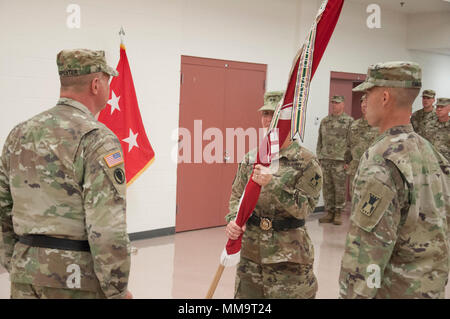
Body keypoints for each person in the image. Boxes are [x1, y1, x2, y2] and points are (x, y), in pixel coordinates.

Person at [0, 49, 132, 299]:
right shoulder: (97, 139)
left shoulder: (19, 133)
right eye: (107, 80)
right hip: (75, 280)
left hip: (25, 273)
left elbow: (3, 209)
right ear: (96, 84)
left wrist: (17, 263)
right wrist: (117, 289)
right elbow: (106, 226)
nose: (108, 87)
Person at [339, 61, 450, 299]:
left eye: (368, 92)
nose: (364, 101)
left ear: (385, 97)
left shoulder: (381, 160)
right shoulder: (431, 152)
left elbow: (367, 251)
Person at [225, 91, 323, 299]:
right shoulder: (252, 158)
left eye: (274, 115)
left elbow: (306, 207)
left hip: (288, 258)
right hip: (251, 255)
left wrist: (275, 184)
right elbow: (236, 197)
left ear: (288, 120)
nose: (268, 120)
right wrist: (234, 220)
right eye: (265, 114)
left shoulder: (306, 161)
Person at [317, 96, 353, 225]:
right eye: (333, 103)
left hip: (340, 160)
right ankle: (329, 212)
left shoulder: (349, 121)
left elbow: (351, 142)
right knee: (327, 187)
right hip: (326, 159)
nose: (334, 105)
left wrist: (348, 161)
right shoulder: (325, 121)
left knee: (339, 188)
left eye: (337, 103)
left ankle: (338, 212)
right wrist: (319, 157)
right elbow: (320, 141)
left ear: (343, 104)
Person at [344, 95, 378, 195]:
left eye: (367, 102)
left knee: (370, 203)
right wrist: (347, 161)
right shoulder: (354, 125)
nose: (364, 105)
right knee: (355, 199)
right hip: (356, 170)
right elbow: (349, 145)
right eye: (362, 102)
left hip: (373, 171)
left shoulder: (380, 125)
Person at [428, 98, 449, 162]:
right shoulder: (430, 124)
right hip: (432, 163)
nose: (439, 109)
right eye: (437, 107)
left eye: (442, 107)